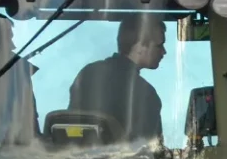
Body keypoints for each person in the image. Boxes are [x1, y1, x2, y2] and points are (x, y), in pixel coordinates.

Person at [68, 14, 167, 145]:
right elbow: (150, 153)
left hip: (74, 158)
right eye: (159, 45)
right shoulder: (145, 94)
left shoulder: (88, 73)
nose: (164, 52)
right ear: (139, 46)